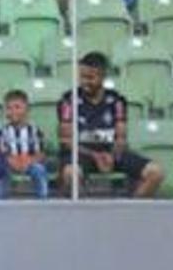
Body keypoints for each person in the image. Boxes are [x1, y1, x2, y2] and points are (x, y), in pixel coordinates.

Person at [57, 52, 163, 197]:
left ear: (102, 77)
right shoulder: (68, 101)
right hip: (81, 153)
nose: (84, 82)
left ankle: (131, 212)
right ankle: (84, 215)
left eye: (90, 78)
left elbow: (121, 138)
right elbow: (66, 141)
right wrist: (95, 155)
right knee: (70, 174)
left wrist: (112, 154)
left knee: (156, 172)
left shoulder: (116, 101)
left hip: (112, 153)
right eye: (82, 77)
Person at [0, 88, 50, 199]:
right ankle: (2, 200)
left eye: (17, 107)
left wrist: (28, 161)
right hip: (10, 163)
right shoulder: (2, 132)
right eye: (9, 108)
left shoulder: (34, 131)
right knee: (2, 169)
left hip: (30, 162)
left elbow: (40, 154)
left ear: (27, 110)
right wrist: (13, 161)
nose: (13, 111)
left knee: (39, 170)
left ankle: (42, 200)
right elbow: (2, 152)